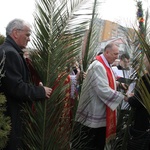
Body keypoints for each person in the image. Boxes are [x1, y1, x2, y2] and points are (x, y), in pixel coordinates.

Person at [0, 18, 52, 150]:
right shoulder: (10, 53)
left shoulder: (10, 50)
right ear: (16, 33)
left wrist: (35, 85)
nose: (29, 39)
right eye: (27, 34)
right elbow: (15, 88)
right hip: (10, 115)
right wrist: (40, 92)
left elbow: (17, 80)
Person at [71, 42, 129, 150]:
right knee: (90, 145)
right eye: (115, 54)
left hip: (100, 113)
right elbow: (102, 89)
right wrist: (124, 97)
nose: (117, 57)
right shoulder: (98, 66)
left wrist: (119, 84)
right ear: (107, 52)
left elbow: (106, 81)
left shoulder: (105, 65)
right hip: (93, 115)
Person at [127, 55, 150, 150]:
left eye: (145, 59)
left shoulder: (146, 80)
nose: (143, 61)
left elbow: (137, 101)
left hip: (144, 123)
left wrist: (129, 98)